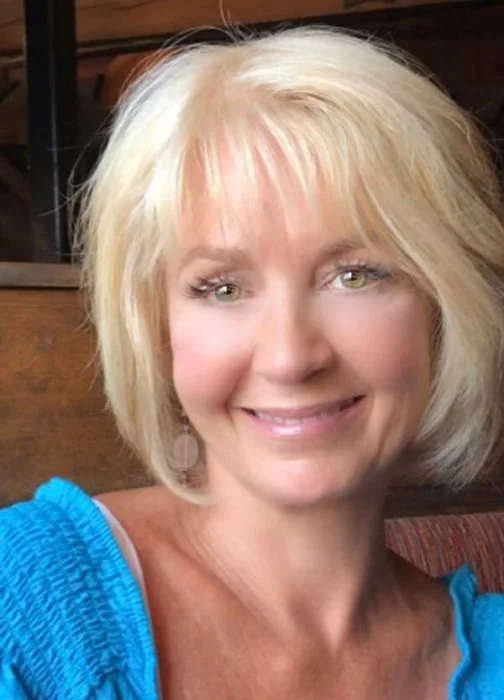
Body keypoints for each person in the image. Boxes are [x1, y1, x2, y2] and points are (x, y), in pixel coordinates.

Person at [1, 25, 504, 699]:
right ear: (157, 329)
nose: (291, 358)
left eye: (355, 275)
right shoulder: (23, 600)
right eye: (223, 288)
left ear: (445, 308)